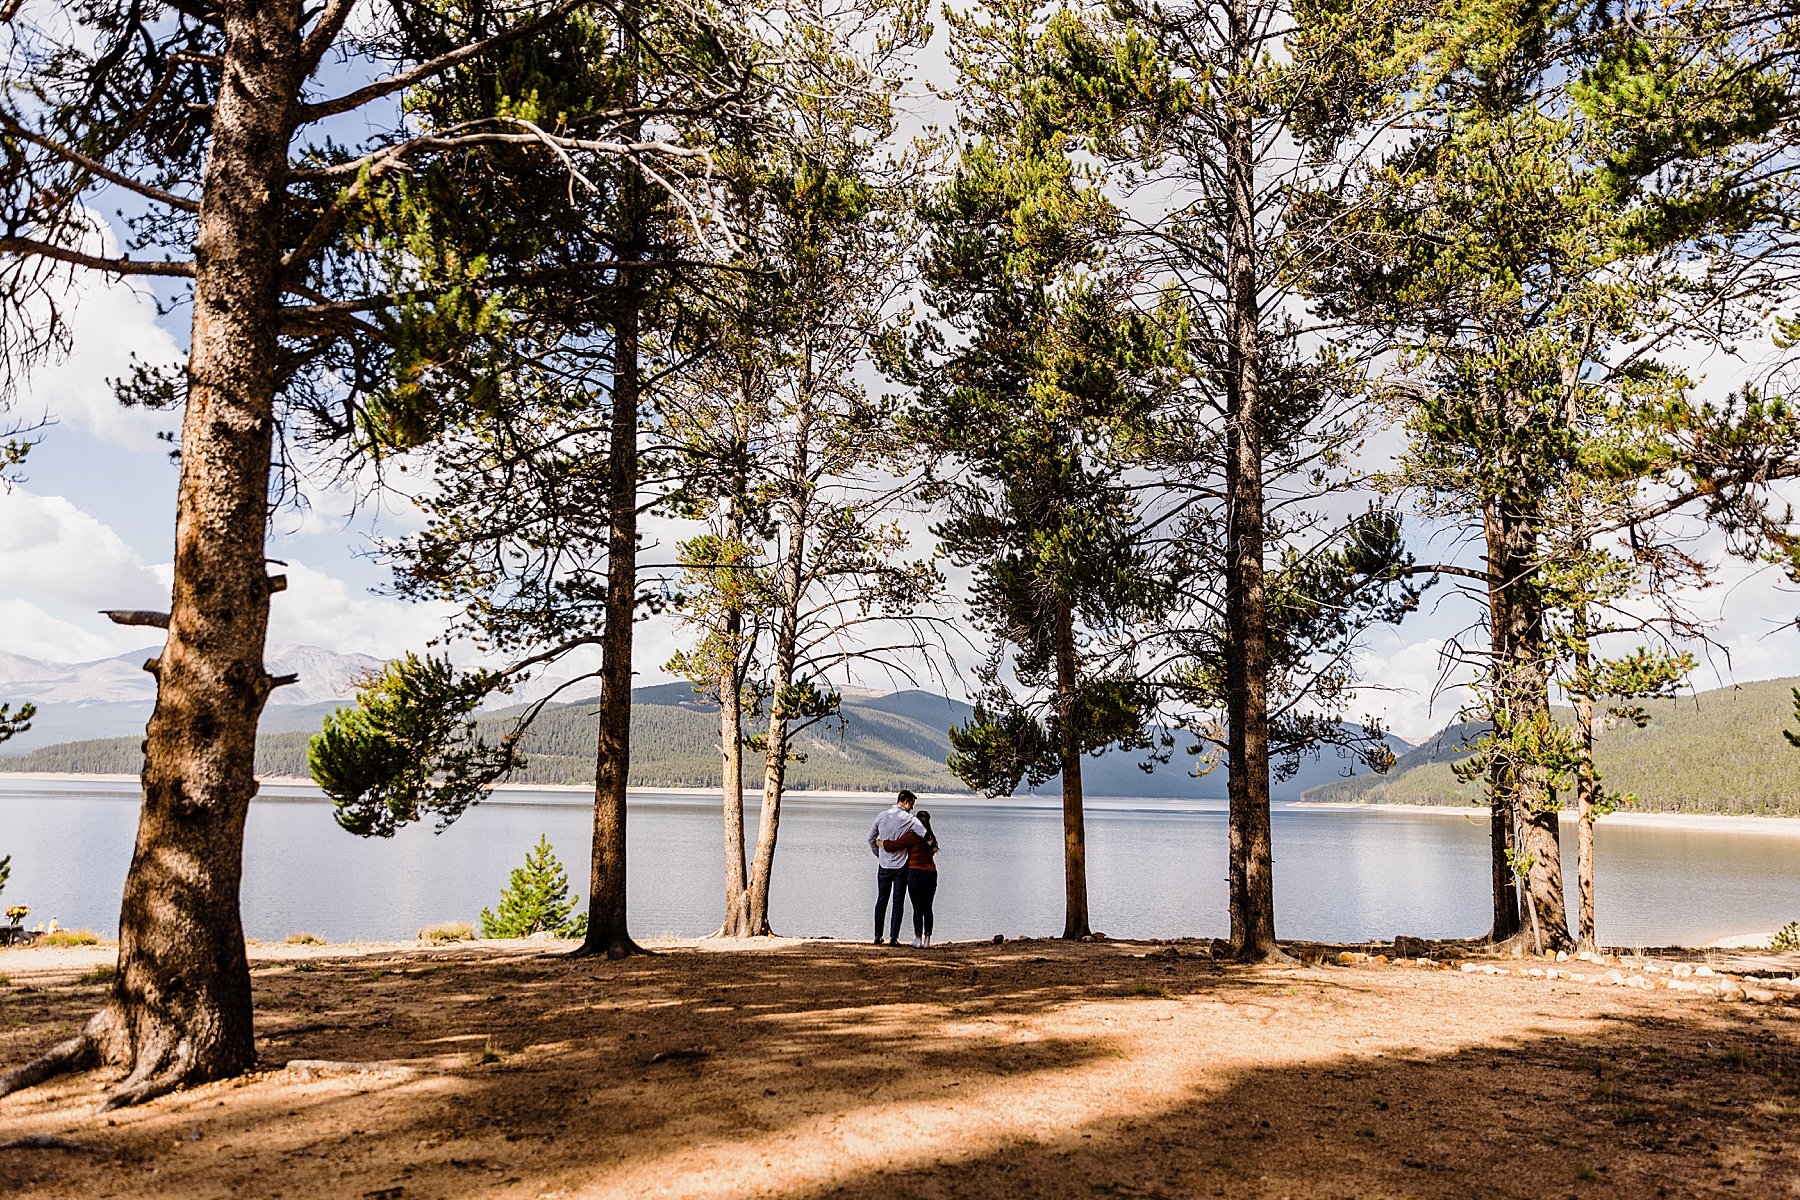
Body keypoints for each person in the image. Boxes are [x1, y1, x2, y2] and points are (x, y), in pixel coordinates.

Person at [867, 790, 926, 945]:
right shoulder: (909, 819)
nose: (912, 808)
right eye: (912, 804)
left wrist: (879, 854)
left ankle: (877, 936)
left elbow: (870, 838)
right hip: (901, 865)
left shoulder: (881, 815)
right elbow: (924, 834)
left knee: (881, 899)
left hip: (883, 865)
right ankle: (893, 937)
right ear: (906, 802)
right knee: (898, 901)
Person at [882, 809, 939, 948]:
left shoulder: (912, 836)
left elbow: (893, 846)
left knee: (917, 908)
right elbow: (933, 851)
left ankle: (918, 939)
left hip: (915, 873)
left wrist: (880, 842)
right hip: (931, 873)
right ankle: (927, 940)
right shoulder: (931, 837)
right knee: (928, 908)